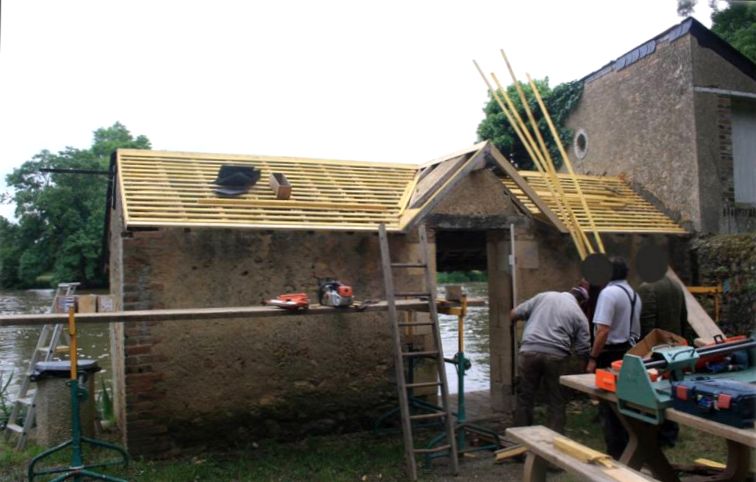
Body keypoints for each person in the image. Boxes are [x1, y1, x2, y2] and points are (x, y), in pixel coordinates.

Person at [511, 286, 590, 434]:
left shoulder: (543, 296)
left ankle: (520, 435)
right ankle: (555, 437)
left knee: (525, 397)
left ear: (569, 291)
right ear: (582, 302)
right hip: (557, 356)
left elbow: (514, 314)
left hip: (529, 352)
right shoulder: (579, 314)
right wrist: (582, 370)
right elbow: (583, 348)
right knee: (557, 399)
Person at [585, 256, 641, 460]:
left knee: (607, 404)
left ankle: (615, 452)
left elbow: (603, 330)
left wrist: (593, 357)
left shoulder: (608, 293)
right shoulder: (633, 294)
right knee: (623, 401)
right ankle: (627, 445)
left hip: (609, 353)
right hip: (627, 351)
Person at [637, 274, 690, 447]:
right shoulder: (676, 285)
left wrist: (644, 351)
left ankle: (654, 432)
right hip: (675, 347)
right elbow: (684, 317)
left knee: (654, 392)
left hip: (656, 351)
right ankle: (670, 433)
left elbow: (646, 324)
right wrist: (681, 342)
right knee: (673, 390)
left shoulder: (647, 287)